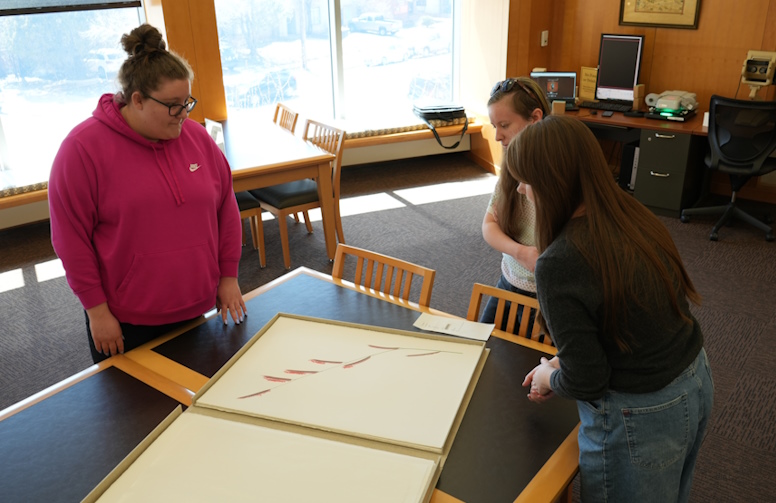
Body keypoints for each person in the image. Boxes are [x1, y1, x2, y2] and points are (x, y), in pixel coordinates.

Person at [515, 116, 714, 502]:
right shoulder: (628, 211)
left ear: (554, 183)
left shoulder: (558, 263)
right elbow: (627, 318)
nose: (522, 190)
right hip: (694, 378)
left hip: (640, 415)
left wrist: (547, 378)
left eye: (528, 180)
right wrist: (560, 361)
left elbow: (588, 381)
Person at [49, 24, 246, 363]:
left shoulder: (197, 138)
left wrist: (228, 277)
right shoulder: (82, 149)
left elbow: (225, 209)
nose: (183, 114)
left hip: (194, 304)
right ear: (136, 100)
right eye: (172, 105)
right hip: (126, 319)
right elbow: (71, 239)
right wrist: (97, 312)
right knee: (138, 414)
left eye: (187, 102)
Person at [480, 77, 549, 331]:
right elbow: (489, 225)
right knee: (478, 345)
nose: (497, 136)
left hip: (542, 299)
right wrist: (520, 252)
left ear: (535, 118)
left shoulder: (556, 175)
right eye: (494, 126)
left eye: (505, 125)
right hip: (509, 282)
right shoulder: (511, 164)